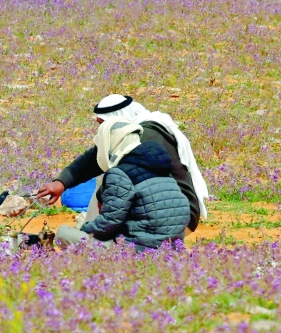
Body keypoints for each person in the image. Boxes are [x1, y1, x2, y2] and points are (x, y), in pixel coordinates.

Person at [36, 94, 209, 232]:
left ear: (117, 119)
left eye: (103, 124)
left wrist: (95, 222)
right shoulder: (133, 134)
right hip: (170, 218)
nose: (101, 130)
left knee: (110, 177)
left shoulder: (144, 138)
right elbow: (93, 159)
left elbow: (119, 186)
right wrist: (61, 182)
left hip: (173, 219)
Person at [55, 120, 190, 251]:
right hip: (172, 250)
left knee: (63, 233)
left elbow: (108, 225)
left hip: (137, 252)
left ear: (110, 142)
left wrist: (85, 228)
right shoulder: (162, 169)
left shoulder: (120, 174)